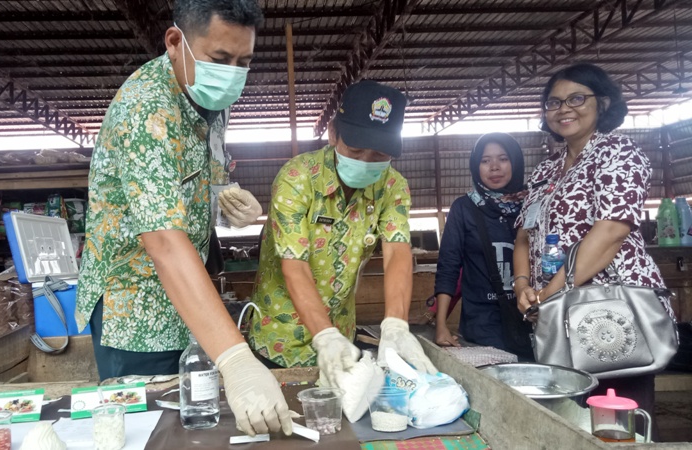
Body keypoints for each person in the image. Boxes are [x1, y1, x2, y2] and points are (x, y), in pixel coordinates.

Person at [75, 0, 291, 437]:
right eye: (220, 60)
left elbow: (203, 175)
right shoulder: (146, 111)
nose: (232, 74)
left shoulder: (210, 98)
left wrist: (227, 198)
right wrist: (236, 359)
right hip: (134, 308)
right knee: (147, 430)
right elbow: (164, 241)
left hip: (187, 299)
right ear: (175, 42)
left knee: (195, 422)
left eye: (243, 62)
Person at [513, 63, 673, 430]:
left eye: (576, 98)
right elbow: (524, 232)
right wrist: (523, 285)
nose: (563, 109)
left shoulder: (619, 154)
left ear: (602, 103)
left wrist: (550, 295)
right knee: (571, 418)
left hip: (611, 309)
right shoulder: (546, 170)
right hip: (557, 313)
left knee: (616, 418)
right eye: (553, 103)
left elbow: (611, 232)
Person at [248, 80, 437, 389]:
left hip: (344, 337)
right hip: (280, 340)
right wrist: (324, 336)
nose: (365, 161)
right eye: (356, 149)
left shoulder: (393, 186)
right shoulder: (298, 178)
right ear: (333, 133)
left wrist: (395, 325)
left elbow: (397, 252)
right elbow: (294, 265)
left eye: (379, 154)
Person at [433, 133, 532, 360]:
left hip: (531, 317)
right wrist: (441, 326)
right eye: (485, 161)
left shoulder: (532, 204)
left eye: (503, 159)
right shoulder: (464, 208)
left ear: (515, 162)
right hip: (483, 322)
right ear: (476, 166)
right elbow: (448, 266)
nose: (494, 167)